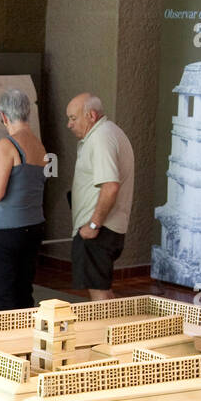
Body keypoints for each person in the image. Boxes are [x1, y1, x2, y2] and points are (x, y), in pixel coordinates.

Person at [0, 88, 47, 311]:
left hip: (5, 231)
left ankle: (5, 345)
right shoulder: (39, 145)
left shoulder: (7, 145)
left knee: (4, 296)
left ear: (4, 116)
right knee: (24, 292)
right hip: (32, 227)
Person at [66, 92, 134, 301]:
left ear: (91, 115)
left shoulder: (101, 138)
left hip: (99, 230)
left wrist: (93, 226)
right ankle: (115, 333)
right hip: (104, 229)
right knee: (102, 289)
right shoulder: (108, 133)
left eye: (73, 118)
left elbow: (110, 186)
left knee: (99, 293)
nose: (69, 124)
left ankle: (106, 333)